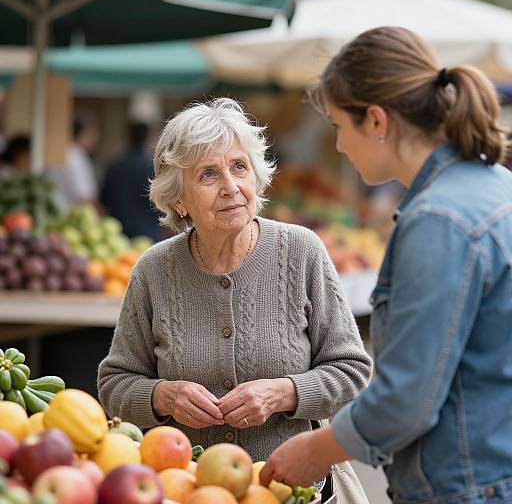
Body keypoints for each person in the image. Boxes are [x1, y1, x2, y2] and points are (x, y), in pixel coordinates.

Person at [261, 25, 512, 504]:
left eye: (338, 126)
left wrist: (317, 449)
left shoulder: (439, 220)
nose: (337, 145)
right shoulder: (495, 186)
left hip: (461, 487)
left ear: (376, 121)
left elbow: (406, 399)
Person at [97, 98, 372, 465]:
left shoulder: (300, 251)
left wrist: (284, 393)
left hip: (286, 487)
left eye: (239, 167)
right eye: (208, 174)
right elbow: (115, 384)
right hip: (188, 486)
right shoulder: (154, 270)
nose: (230, 186)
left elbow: (352, 371)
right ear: (179, 200)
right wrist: (163, 396)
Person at [100, 122, 161, 241]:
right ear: (148, 137)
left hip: (116, 234)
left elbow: (103, 201)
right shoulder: (154, 168)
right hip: (148, 232)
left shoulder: (113, 166)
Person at [46, 114, 99, 209]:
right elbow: (84, 195)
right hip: (73, 212)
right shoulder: (76, 157)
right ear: (84, 134)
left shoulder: (60, 152)